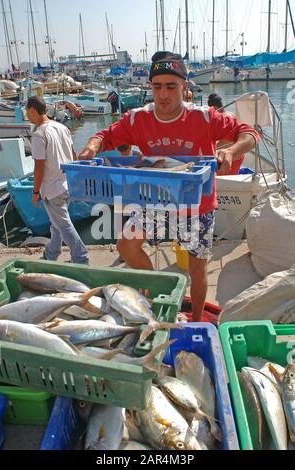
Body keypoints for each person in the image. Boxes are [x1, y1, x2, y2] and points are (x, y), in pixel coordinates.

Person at [79, 51, 259, 322]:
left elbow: (249, 133)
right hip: (155, 201)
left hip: (196, 206)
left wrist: (232, 151)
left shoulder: (205, 117)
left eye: (171, 86)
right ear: (150, 87)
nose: (164, 94)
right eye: (157, 86)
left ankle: (197, 320)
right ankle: (158, 290)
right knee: (126, 245)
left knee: (197, 269)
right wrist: (92, 146)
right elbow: (105, 136)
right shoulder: (137, 119)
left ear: (185, 87)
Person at [26, 96, 89, 265]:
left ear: (33, 111)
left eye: (27, 112)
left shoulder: (39, 134)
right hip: (66, 184)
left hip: (52, 188)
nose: (27, 116)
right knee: (57, 224)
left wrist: (35, 192)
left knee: (63, 224)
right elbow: (74, 154)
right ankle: (52, 253)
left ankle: (81, 257)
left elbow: (39, 166)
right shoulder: (62, 127)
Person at [208, 93, 245, 175]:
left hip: (228, 156)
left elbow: (227, 140)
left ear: (214, 108)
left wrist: (208, 149)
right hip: (238, 153)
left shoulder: (224, 118)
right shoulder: (231, 114)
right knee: (233, 177)